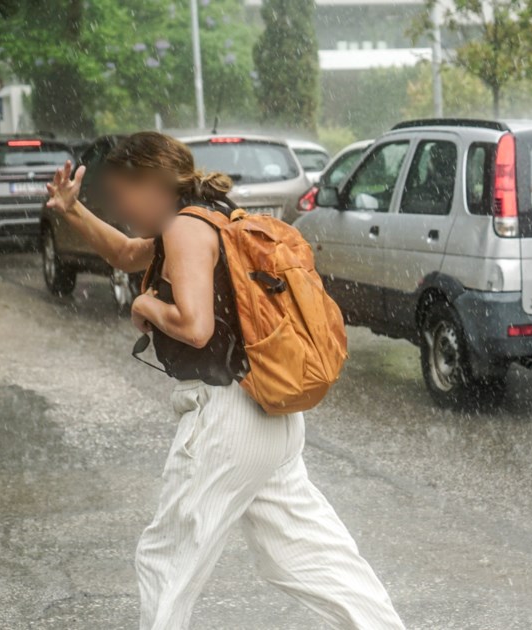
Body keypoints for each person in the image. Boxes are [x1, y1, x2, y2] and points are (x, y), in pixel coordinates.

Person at [44, 131, 405, 630]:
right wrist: (71, 210)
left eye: (121, 193)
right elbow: (129, 254)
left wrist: (145, 304)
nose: (118, 206)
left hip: (226, 417)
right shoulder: (211, 216)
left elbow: (195, 328)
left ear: (150, 183)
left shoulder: (185, 230)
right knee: (310, 556)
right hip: (268, 417)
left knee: (164, 559)